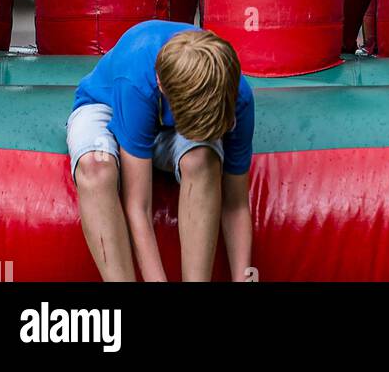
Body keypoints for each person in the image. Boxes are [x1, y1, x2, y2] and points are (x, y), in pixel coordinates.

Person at [66, 21, 255, 282]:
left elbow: (236, 205)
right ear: (162, 87)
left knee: (203, 158)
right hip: (106, 104)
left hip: (174, 119)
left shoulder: (237, 95)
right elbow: (138, 207)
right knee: (95, 167)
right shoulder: (136, 80)